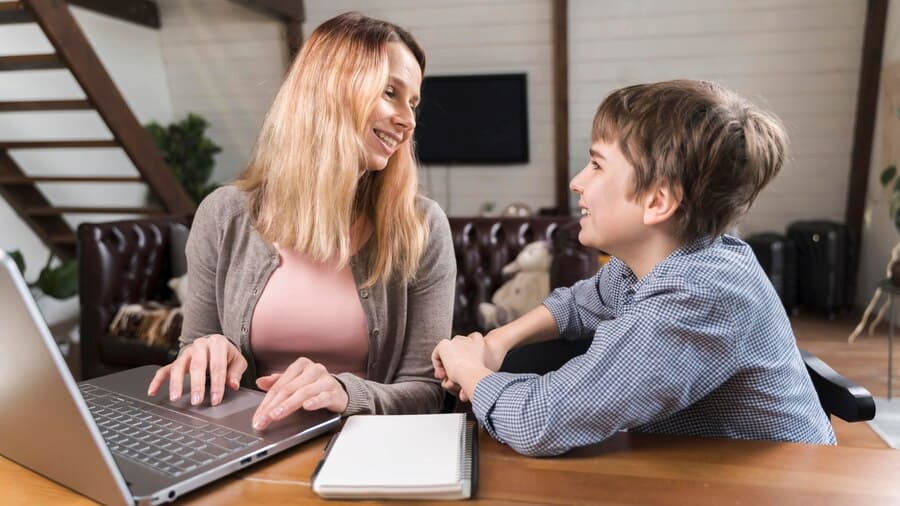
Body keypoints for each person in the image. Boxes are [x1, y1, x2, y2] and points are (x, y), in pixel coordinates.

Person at [431, 80, 836, 456]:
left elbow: (542, 421)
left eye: (597, 165)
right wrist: (495, 343)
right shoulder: (658, 259)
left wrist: (467, 367)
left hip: (782, 485)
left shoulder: (698, 297)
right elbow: (579, 303)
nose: (577, 181)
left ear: (658, 202)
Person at [147, 12, 456, 430]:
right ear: (328, 90)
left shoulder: (422, 227)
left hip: (364, 449)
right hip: (246, 447)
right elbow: (193, 352)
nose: (409, 120)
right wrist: (206, 352)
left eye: (413, 103)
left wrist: (346, 393)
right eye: (390, 93)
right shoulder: (223, 214)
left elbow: (427, 391)